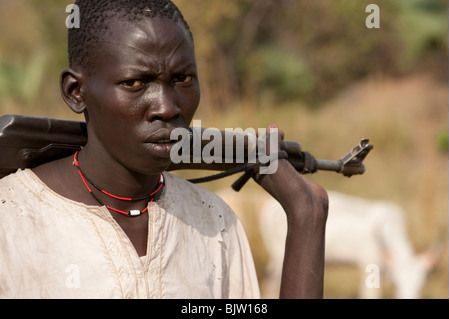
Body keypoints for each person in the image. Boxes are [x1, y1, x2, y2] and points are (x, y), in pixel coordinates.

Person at [0, 0, 328, 299]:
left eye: (182, 79)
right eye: (135, 83)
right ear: (76, 92)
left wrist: (306, 213)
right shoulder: (10, 220)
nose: (167, 107)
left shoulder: (215, 222)